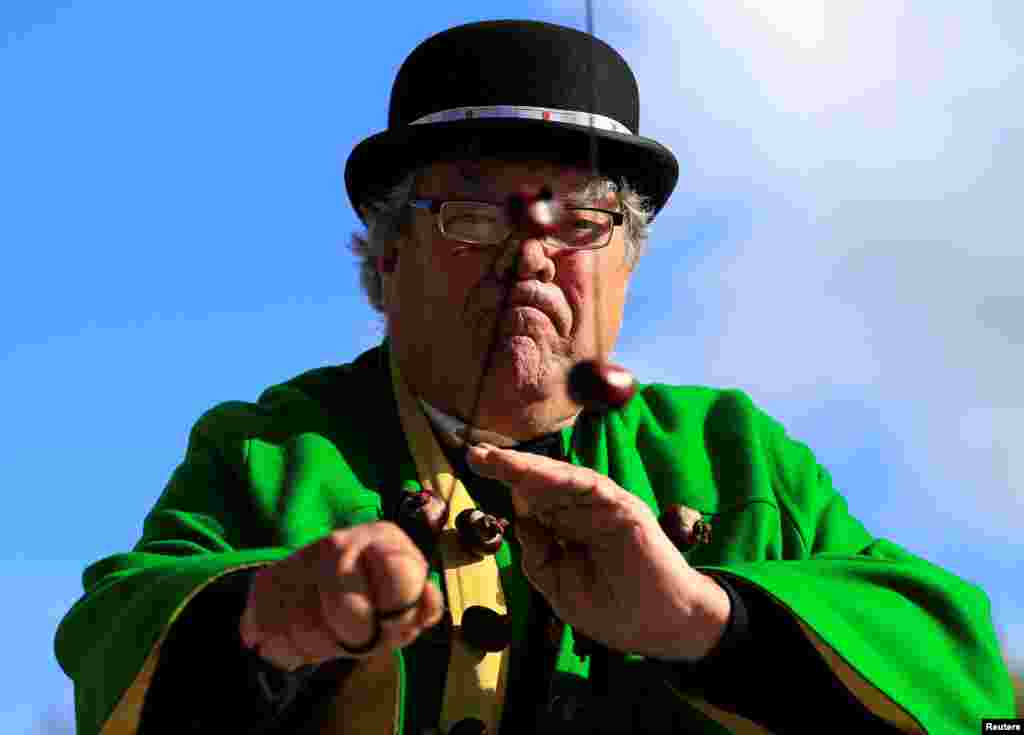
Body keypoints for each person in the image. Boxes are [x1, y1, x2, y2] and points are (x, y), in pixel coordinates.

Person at [54, 19, 1015, 735]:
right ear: (387, 259)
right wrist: (270, 619)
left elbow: (964, 685)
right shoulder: (272, 451)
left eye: (584, 221)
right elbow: (111, 641)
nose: (532, 254)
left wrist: (705, 622)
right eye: (474, 218)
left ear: (629, 263)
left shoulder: (736, 456)